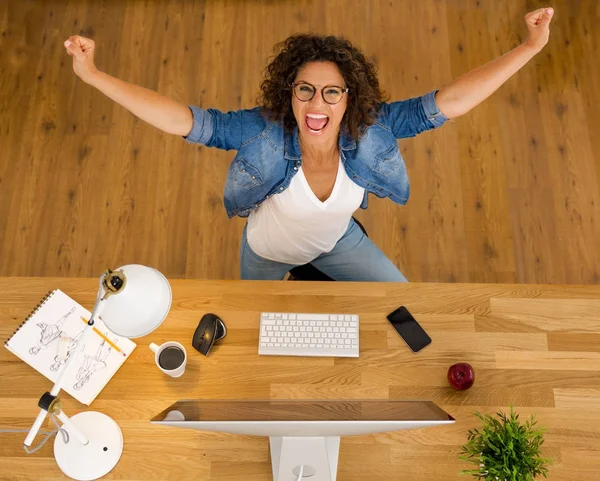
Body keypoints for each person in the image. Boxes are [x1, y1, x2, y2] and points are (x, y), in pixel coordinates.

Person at [64, 8, 554, 282]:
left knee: (405, 303)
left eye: (331, 92)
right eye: (305, 90)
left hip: (338, 244)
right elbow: (183, 121)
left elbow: (452, 102)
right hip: (266, 253)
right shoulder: (261, 131)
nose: (316, 104)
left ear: (349, 99)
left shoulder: (375, 127)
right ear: (290, 95)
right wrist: (93, 75)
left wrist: (530, 47)